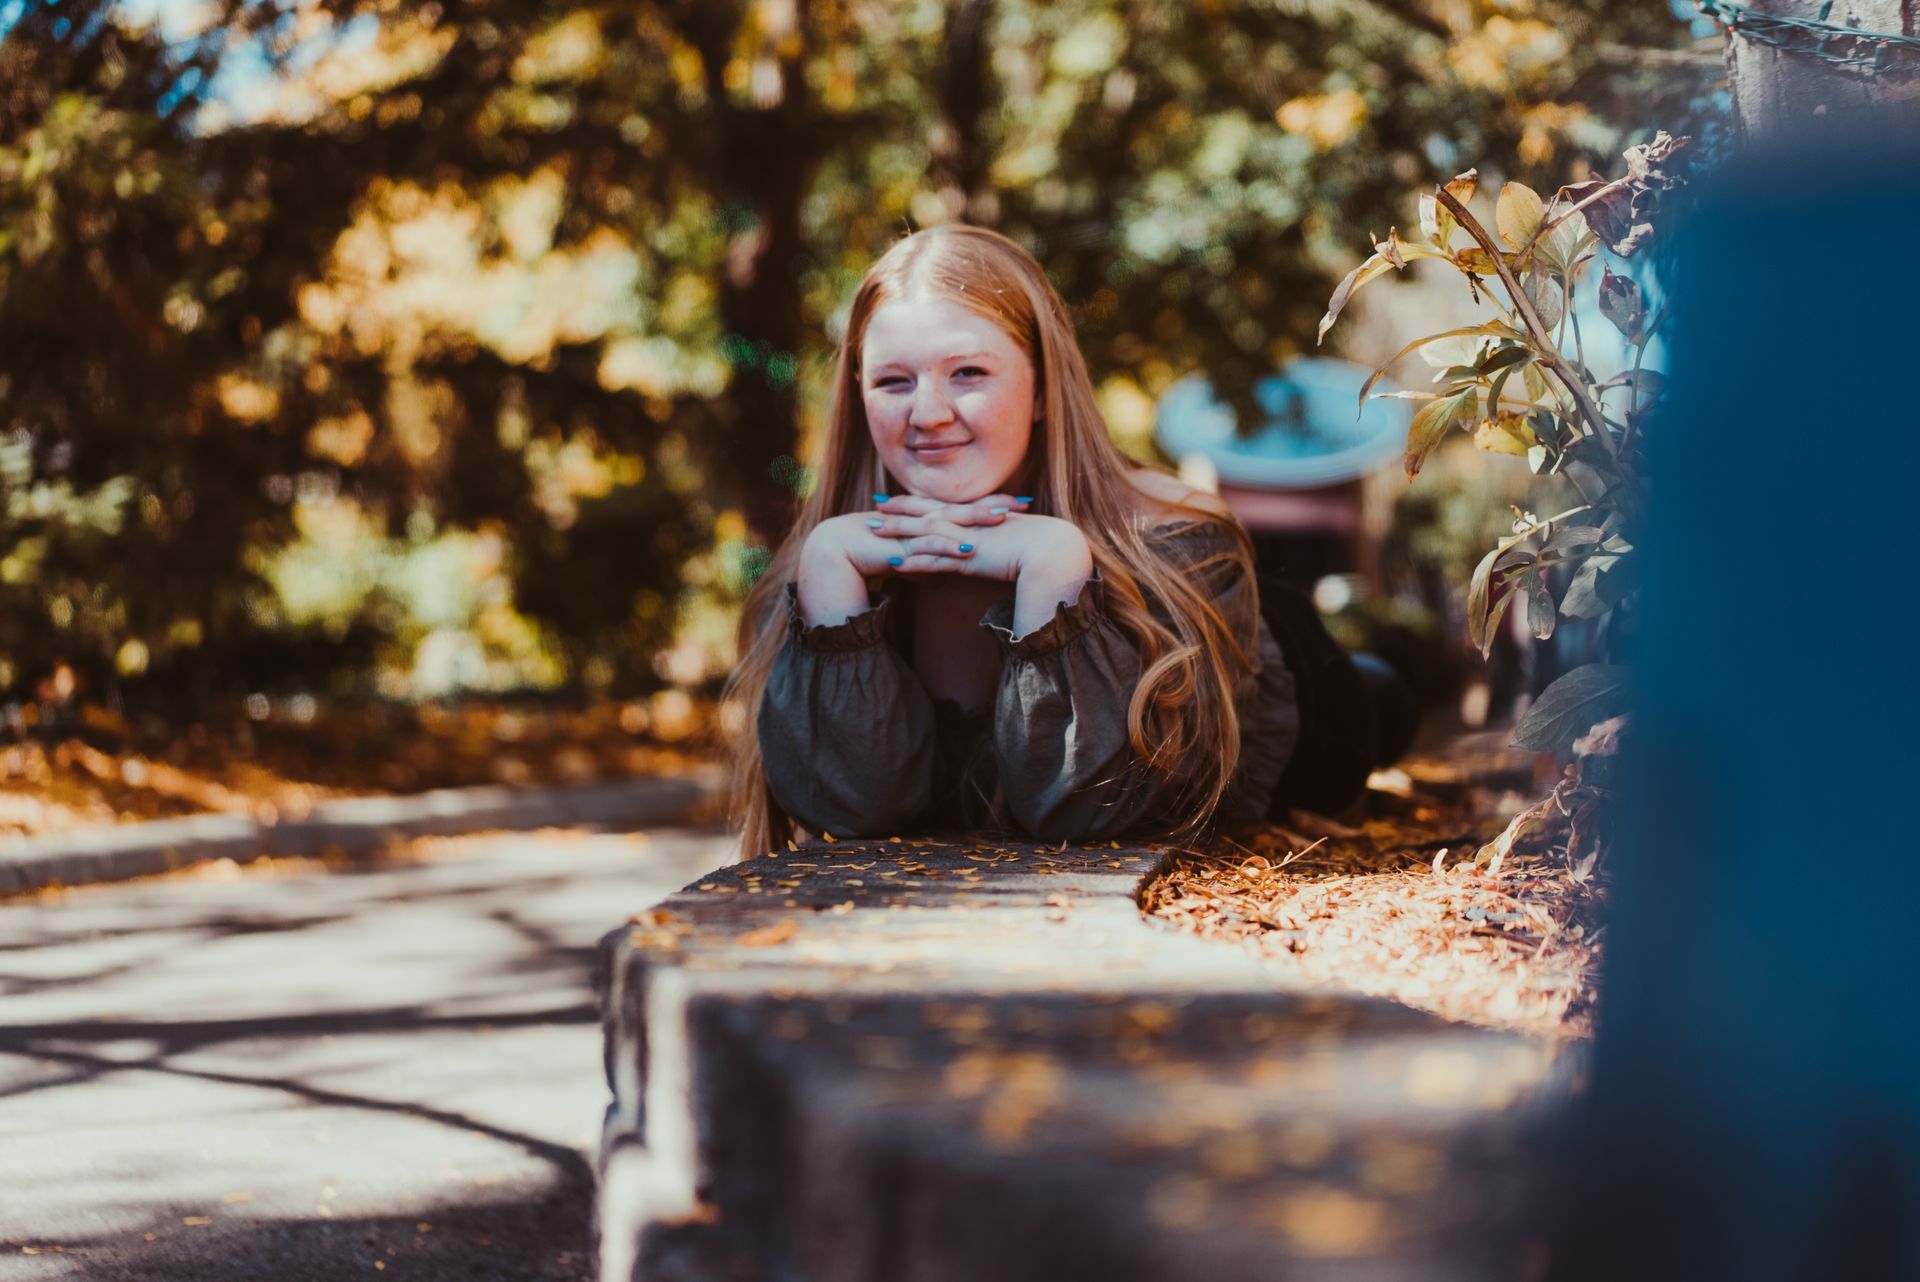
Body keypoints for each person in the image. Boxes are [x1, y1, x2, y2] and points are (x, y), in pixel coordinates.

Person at [724, 225, 1412, 858]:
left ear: (1045, 390)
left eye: (968, 373)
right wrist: (831, 570)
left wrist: (1051, 566)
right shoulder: (830, 561)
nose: (927, 415)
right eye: (893, 382)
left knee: (1385, 698)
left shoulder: (1179, 539)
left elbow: (1082, 811)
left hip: (1321, 708)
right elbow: (856, 810)